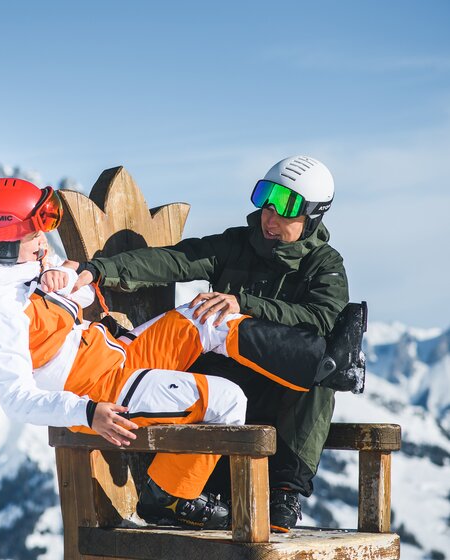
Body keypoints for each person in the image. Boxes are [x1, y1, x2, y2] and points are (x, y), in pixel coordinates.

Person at [0, 176, 365, 531]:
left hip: (118, 352)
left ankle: (326, 366)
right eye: (33, 239)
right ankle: (168, 498)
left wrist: (64, 275)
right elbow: (15, 399)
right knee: (227, 401)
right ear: (2, 245)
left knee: (211, 314)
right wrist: (87, 412)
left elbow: (78, 294)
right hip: (101, 390)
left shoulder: (26, 266)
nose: (43, 245)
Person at [73, 155, 366, 532]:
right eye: (267, 201)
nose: (271, 217)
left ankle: (284, 491)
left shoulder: (323, 264)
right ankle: (180, 489)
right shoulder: (237, 244)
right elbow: (174, 261)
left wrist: (246, 304)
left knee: (321, 369)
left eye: (286, 208)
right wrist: (101, 269)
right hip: (226, 385)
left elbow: (323, 319)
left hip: (280, 393)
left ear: (313, 216)